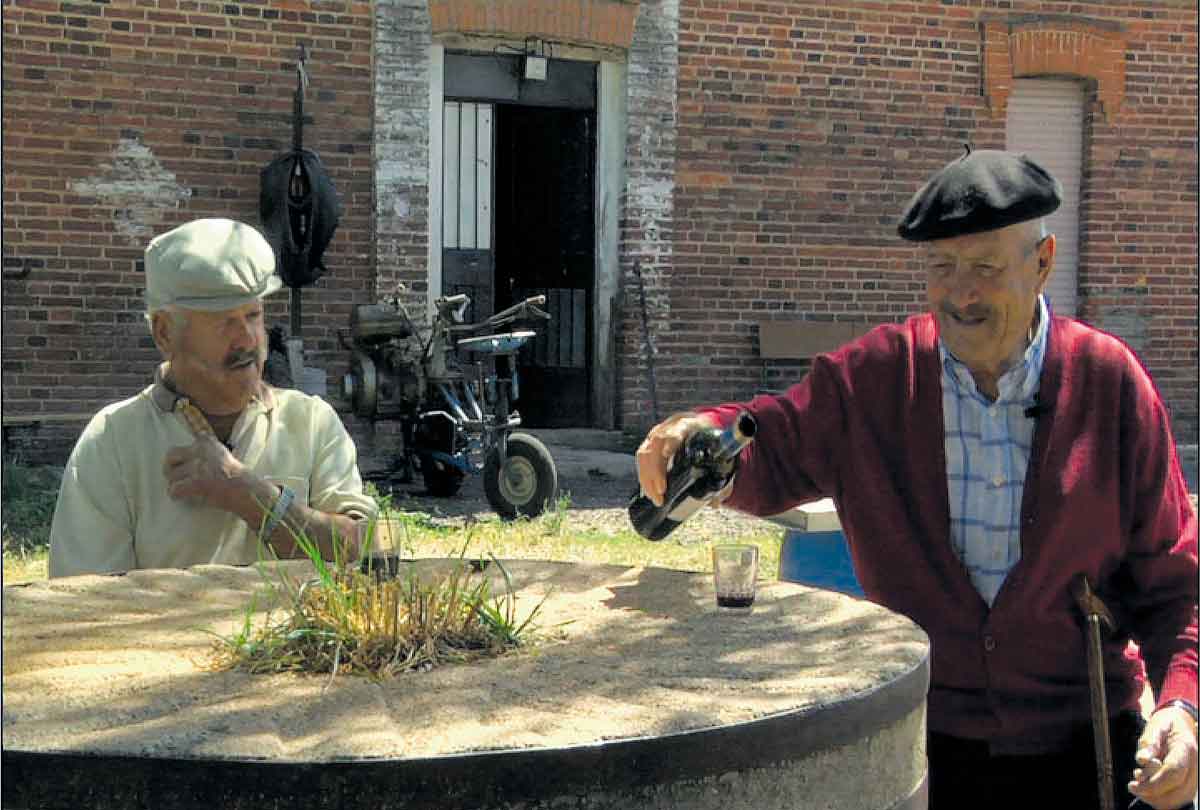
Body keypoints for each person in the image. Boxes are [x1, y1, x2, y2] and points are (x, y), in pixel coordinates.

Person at [636, 150, 1198, 809]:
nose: (960, 293)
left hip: (1085, 750)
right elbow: (774, 438)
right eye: (941, 267)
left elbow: (1176, 588)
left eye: (986, 268)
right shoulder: (878, 379)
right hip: (916, 747)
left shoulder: (1109, 383)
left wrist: (1183, 708)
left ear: (1042, 262)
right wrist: (699, 431)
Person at [49, 218, 377, 578]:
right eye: (224, 322)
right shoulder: (113, 441)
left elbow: (362, 554)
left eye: (253, 315)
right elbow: (85, 600)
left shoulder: (311, 423)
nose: (248, 340)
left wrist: (253, 498)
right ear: (164, 334)